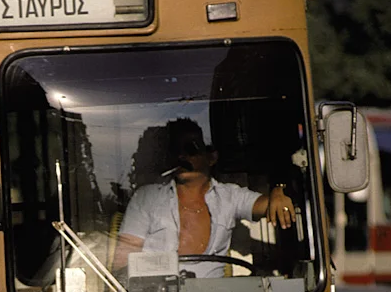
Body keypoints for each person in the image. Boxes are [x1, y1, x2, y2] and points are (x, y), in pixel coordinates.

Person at [112, 118, 297, 279]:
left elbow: (268, 205)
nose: (182, 156)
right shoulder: (147, 198)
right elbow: (122, 265)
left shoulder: (229, 197)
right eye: (176, 150)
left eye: (191, 149)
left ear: (211, 157)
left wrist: (278, 191)